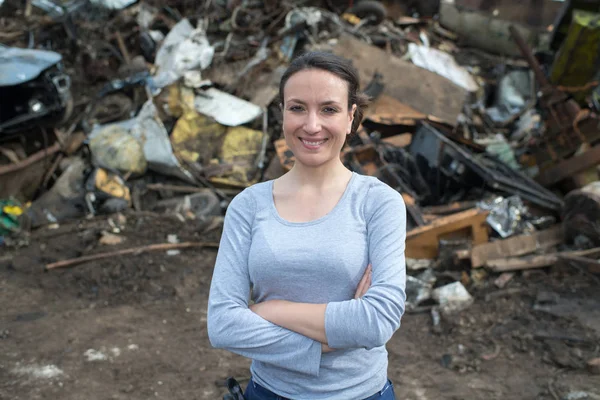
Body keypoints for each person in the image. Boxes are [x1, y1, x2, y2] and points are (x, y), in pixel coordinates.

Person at [207, 51, 407, 400]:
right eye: (297, 107)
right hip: (268, 393)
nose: (311, 125)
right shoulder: (248, 206)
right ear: (282, 114)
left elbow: (377, 321)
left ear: (351, 117)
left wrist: (271, 310)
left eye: (328, 109)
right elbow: (224, 325)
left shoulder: (379, 203)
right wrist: (328, 343)